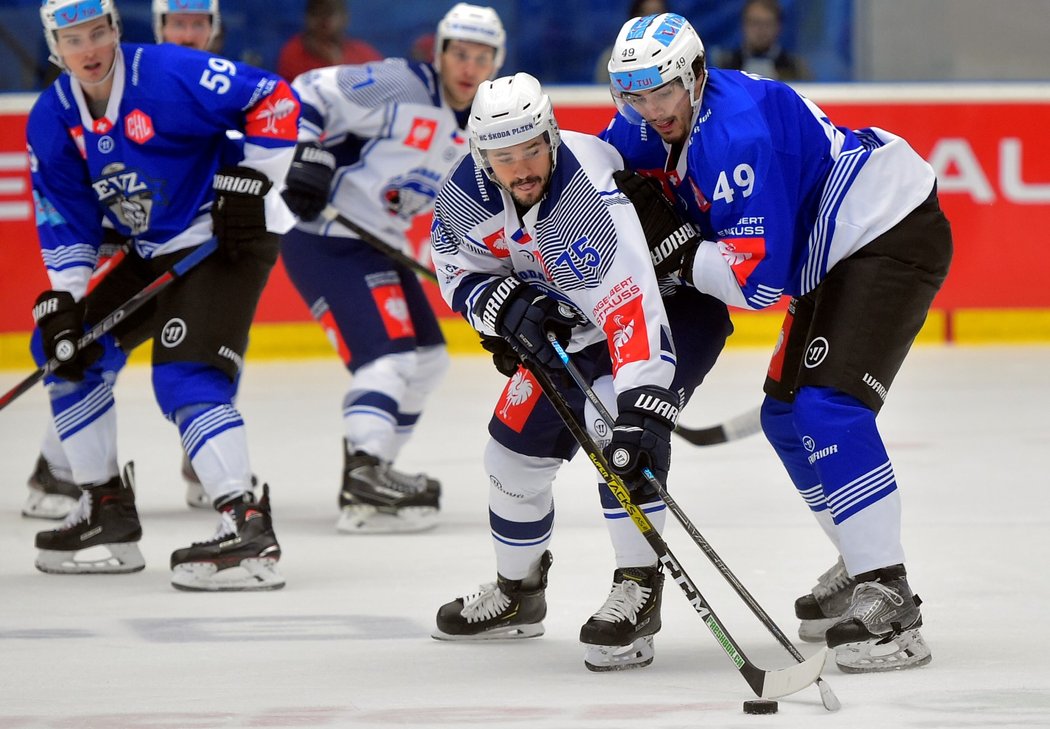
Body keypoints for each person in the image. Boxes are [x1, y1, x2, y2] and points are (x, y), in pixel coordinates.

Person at [603, 12, 950, 672]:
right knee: (784, 418)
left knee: (826, 409)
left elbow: (756, 286)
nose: (650, 112)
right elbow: (593, 157)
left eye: (662, 92)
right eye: (635, 95)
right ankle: (860, 560)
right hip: (834, 252)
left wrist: (679, 253)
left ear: (695, 76)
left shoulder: (737, 133)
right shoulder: (654, 117)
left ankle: (891, 596)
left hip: (888, 227)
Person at [428, 73, 731, 671]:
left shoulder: (584, 195)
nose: (521, 167)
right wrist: (502, 308)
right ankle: (519, 595)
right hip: (573, 324)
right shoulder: (464, 193)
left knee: (620, 440)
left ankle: (639, 589)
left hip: (666, 312)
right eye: (504, 155)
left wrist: (643, 404)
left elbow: (632, 309)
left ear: (551, 135)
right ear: (480, 154)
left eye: (531, 149)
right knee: (509, 458)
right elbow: (454, 268)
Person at [28, 0, 299, 591]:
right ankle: (105, 509)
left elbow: (276, 97)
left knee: (185, 375)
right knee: (64, 352)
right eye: (74, 41)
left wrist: (254, 179)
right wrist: (65, 299)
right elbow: (67, 219)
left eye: (99, 33)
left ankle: (244, 521)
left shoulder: (169, 73)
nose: (90, 49)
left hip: (224, 236)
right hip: (152, 248)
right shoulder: (51, 119)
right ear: (55, 48)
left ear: (116, 31)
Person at [279, 3, 506, 534]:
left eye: (481, 57)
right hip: (325, 235)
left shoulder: (483, 128)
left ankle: (372, 470)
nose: (469, 67)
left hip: (377, 243)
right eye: (460, 53)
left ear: (496, 62)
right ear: (441, 52)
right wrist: (306, 155)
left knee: (427, 360)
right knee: (388, 359)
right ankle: (364, 473)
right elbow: (308, 91)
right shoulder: (401, 84)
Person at [21, 0, 233, 522]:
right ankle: (61, 467)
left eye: (197, 23)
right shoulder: (123, 87)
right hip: (126, 246)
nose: (186, 34)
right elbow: (71, 197)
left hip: (196, 244)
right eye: (177, 23)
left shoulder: (204, 90)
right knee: (80, 349)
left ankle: (202, 463)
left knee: (209, 348)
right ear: (156, 28)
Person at [276, 0, 382, 82]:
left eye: (329, 12)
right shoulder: (293, 52)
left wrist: (337, 62)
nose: (323, 19)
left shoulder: (363, 53)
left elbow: (382, 86)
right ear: (306, 18)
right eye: (316, 12)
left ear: (345, 17)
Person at [715, 0, 811, 81]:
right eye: (755, 23)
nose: (761, 30)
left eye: (767, 23)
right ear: (743, 25)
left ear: (779, 27)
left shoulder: (795, 67)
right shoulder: (725, 66)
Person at [593, 0, 668, 85]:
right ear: (634, 17)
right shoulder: (611, 58)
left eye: (657, 14)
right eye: (646, 14)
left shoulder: (674, 51)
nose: (650, 20)